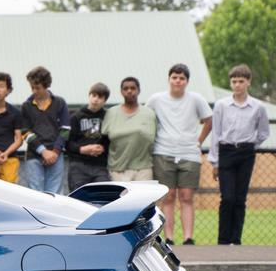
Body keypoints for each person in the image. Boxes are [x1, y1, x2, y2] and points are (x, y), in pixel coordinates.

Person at [148, 63, 212, 245]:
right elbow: (146, 119)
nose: (178, 81)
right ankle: (168, 238)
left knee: (186, 197)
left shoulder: (196, 99)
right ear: (169, 79)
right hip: (163, 152)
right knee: (168, 197)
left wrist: (199, 141)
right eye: (174, 77)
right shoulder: (156, 99)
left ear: (187, 81)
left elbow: (209, 120)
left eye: (182, 78)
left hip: (189, 153)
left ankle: (188, 237)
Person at [208, 64, 270, 245]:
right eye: (234, 81)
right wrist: (214, 162)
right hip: (226, 151)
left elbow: (263, 132)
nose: (237, 85)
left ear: (248, 82)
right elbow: (216, 133)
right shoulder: (221, 105)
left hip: (246, 153)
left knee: (240, 198)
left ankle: (236, 239)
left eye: (241, 81)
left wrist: (250, 146)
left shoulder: (257, 107)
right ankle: (223, 240)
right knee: (227, 198)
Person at [19, 66, 69, 194]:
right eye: (32, 87)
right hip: (33, 155)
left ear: (46, 85)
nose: (34, 91)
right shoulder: (26, 106)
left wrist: (55, 152)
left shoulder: (60, 103)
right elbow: (25, 132)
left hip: (56, 155)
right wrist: (43, 151)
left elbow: (65, 129)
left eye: (38, 88)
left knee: (55, 193)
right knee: (34, 194)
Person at [102, 77, 157, 182]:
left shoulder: (149, 114)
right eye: (125, 88)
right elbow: (103, 141)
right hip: (117, 170)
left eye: (133, 88)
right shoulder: (111, 113)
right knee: (122, 198)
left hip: (143, 168)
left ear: (139, 90)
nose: (129, 91)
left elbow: (155, 140)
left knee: (144, 198)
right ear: (121, 91)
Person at [65, 83, 111, 191]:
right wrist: (82, 149)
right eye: (93, 95)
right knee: (78, 197)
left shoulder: (108, 117)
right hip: (78, 164)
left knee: (103, 195)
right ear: (89, 96)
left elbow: (111, 139)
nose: (95, 99)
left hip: (101, 165)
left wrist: (103, 148)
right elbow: (67, 143)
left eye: (100, 97)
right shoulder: (75, 117)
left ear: (105, 101)